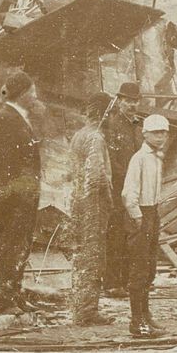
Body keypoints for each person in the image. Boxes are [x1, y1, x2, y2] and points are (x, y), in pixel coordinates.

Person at [0, 69, 42, 315]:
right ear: (24, 94)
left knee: (17, 247)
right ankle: (4, 299)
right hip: (12, 199)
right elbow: (0, 165)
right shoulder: (6, 119)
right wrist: (12, 195)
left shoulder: (16, 117)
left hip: (19, 197)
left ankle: (13, 294)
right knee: (9, 246)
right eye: (33, 91)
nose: (36, 95)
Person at [67, 97, 116, 327]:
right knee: (94, 257)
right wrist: (107, 199)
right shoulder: (96, 138)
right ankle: (87, 310)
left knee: (82, 256)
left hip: (78, 199)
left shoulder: (80, 135)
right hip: (93, 203)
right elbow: (96, 175)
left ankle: (81, 307)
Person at [120, 112, 169, 338]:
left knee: (149, 269)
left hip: (152, 212)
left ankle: (146, 315)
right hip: (140, 214)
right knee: (139, 270)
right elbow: (129, 192)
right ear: (145, 133)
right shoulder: (138, 158)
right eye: (156, 133)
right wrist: (137, 216)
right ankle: (136, 321)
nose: (160, 137)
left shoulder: (157, 158)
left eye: (164, 133)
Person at [101, 82, 144, 298]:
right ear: (119, 101)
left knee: (131, 234)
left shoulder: (137, 125)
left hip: (134, 188)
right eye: (128, 101)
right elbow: (111, 161)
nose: (132, 105)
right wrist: (128, 178)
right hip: (118, 188)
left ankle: (126, 281)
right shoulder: (112, 125)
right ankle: (111, 283)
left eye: (135, 101)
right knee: (115, 235)